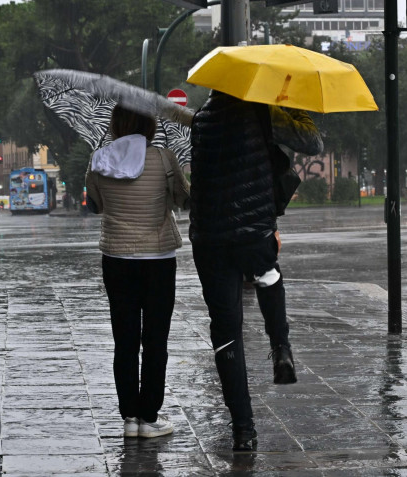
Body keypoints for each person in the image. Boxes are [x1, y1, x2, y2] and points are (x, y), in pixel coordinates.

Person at [188, 90, 322, 451]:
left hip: (210, 240)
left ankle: (243, 429)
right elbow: (312, 142)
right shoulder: (263, 112)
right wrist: (290, 103)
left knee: (226, 331)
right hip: (255, 233)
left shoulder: (201, 119)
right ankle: (280, 345)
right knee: (268, 275)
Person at [85, 105, 190, 439]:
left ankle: (129, 417)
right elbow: (183, 199)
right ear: (149, 125)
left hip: (116, 258)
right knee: (155, 340)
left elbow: (95, 205)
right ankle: (149, 417)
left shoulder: (99, 160)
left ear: (115, 125)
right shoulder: (163, 158)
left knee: (125, 339)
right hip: (159, 259)